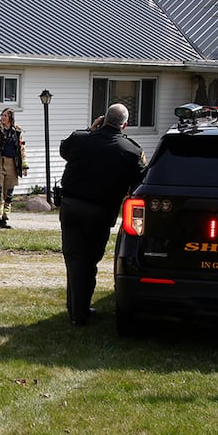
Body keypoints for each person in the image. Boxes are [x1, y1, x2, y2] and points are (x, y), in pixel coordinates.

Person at [58, 103, 146, 325]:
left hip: (71, 209)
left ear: (102, 119)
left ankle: (78, 312)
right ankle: (79, 312)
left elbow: (65, 151)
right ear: (125, 125)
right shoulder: (131, 151)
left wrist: (91, 130)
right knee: (89, 261)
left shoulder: (80, 139)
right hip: (100, 213)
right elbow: (139, 182)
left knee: (75, 261)